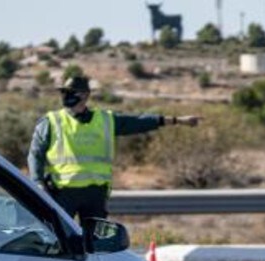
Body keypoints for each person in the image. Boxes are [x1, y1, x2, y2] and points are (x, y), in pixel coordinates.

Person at [27, 75, 200, 233]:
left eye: (72, 92)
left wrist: (177, 120)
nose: (66, 96)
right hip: (63, 194)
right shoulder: (51, 121)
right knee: (57, 239)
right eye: (64, 92)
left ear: (86, 95)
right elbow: (36, 154)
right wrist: (38, 182)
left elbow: (139, 122)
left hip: (95, 195)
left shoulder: (105, 120)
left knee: (96, 245)